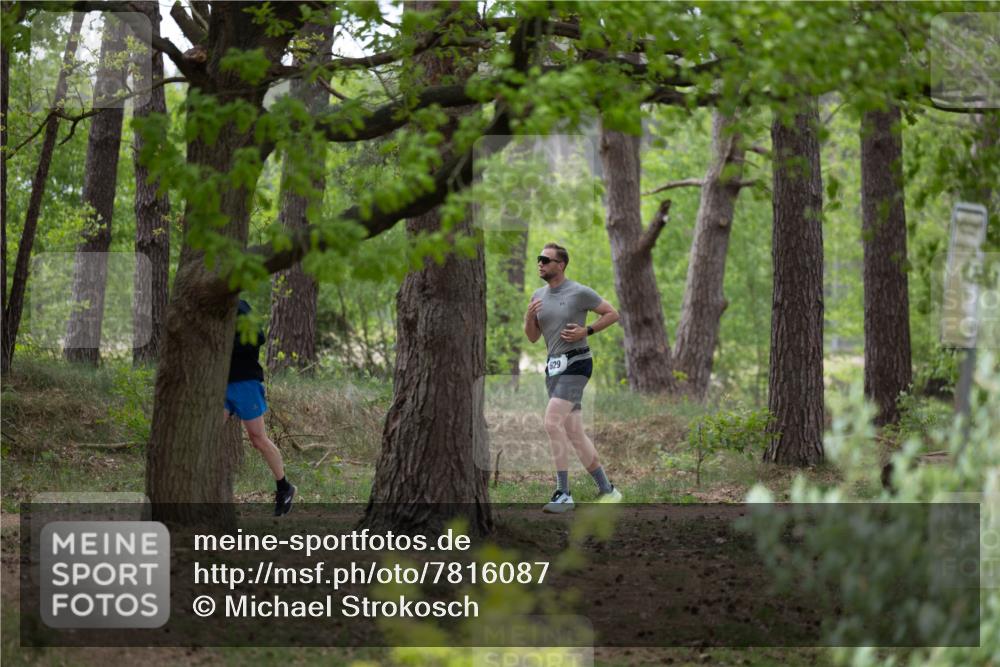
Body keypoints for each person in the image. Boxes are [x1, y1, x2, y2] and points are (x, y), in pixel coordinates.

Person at [524, 243, 622, 513]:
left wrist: (586, 330)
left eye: (546, 259)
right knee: (575, 433)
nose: (540, 263)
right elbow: (532, 337)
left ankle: (563, 493)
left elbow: (612, 313)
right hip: (553, 368)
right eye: (538, 259)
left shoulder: (579, 292)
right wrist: (528, 316)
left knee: (551, 422)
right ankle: (608, 490)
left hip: (578, 363)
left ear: (561, 264)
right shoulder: (537, 295)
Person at [224, 299, 295, 516]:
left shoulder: (240, 306)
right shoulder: (208, 309)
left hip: (245, 382)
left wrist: (226, 345)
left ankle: (284, 487)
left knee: (258, 439)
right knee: (206, 434)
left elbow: (259, 336)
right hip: (219, 384)